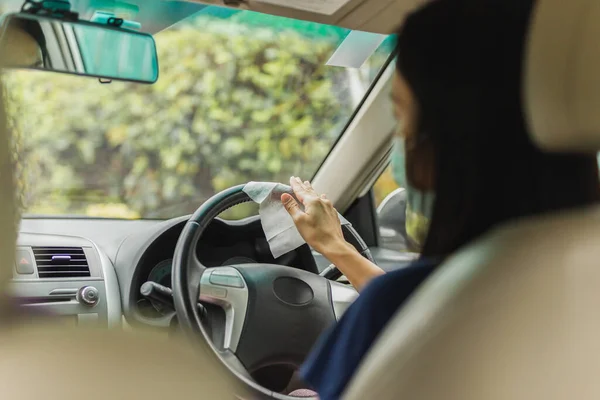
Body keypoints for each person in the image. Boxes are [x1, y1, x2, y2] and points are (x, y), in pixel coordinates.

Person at [281, 0, 600, 398]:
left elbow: (426, 307)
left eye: (402, 119)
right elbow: (433, 301)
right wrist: (335, 247)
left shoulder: (401, 308)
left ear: (454, 139)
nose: (402, 143)